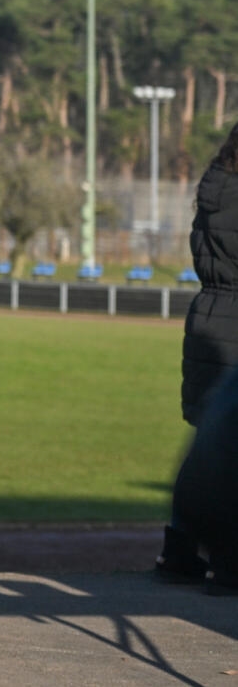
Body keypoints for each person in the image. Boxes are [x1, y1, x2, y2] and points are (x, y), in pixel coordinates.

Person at [156, 121, 238, 589]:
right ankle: (229, 565)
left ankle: (179, 551)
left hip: (206, 310)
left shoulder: (214, 187)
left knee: (208, 444)